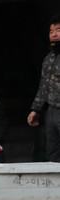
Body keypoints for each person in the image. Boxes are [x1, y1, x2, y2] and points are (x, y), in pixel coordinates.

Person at [28, 15, 60, 162]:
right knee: (53, 151)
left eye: (58, 30)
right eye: (51, 31)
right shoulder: (49, 58)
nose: (54, 34)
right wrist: (36, 109)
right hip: (52, 111)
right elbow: (44, 87)